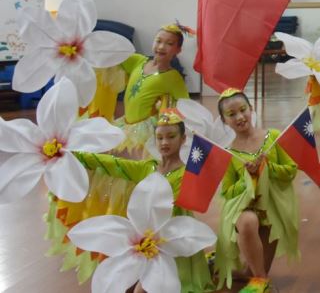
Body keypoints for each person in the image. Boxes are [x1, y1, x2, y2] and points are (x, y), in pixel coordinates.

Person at [47, 109, 214, 292]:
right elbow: (112, 164)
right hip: (143, 238)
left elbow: (213, 172)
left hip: (173, 237)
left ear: (183, 139)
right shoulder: (147, 168)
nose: (164, 142)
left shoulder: (188, 173)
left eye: (171, 136)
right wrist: (75, 155)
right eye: (160, 138)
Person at [215, 89, 299, 293]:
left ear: (251, 109)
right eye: (232, 114)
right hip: (246, 211)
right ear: (224, 120)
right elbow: (227, 192)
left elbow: (291, 171)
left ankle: (246, 273)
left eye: (243, 110)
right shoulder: (229, 153)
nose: (240, 117)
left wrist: (268, 167)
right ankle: (262, 282)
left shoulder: (273, 137)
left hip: (272, 212)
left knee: (253, 269)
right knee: (247, 222)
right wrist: (247, 178)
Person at [114, 24, 191, 157]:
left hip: (145, 131)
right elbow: (113, 58)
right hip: (126, 124)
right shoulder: (138, 61)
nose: (161, 47)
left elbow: (186, 105)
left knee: (139, 161)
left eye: (169, 43)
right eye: (158, 41)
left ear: (178, 50)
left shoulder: (172, 77)